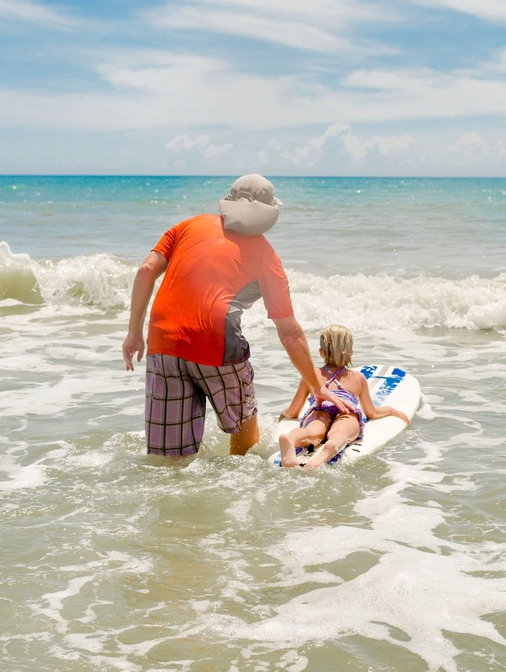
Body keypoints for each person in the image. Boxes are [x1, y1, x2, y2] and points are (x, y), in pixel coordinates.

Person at [122, 175, 352, 459]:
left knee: (171, 459)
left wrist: (134, 333)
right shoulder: (266, 256)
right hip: (218, 344)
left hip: (163, 341)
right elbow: (289, 332)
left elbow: (146, 270)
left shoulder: (187, 225)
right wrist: (318, 387)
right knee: (244, 448)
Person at [278, 324, 410, 470]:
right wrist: (391, 410)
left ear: (321, 353)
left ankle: (290, 439)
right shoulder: (358, 378)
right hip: (346, 411)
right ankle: (331, 446)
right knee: (340, 432)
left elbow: (293, 412)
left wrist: (285, 412)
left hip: (320, 409)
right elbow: (371, 413)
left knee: (311, 432)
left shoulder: (311, 375)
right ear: (351, 353)